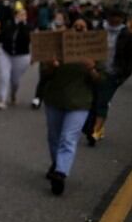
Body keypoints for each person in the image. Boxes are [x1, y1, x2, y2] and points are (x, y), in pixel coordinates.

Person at [41, 18, 100, 195]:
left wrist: (91, 69)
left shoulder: (95, 49)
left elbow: (102, 80)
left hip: (79, 103)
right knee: (54, 137)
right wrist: (51, 66)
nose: (79, 29)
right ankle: (57, 163)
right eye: (76, 26)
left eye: (83, 27)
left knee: (68, 138)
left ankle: (60, 173)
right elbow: (45, 74)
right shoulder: (57, 46)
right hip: (55, 99)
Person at [84, 7, 132, 146]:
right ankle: (91, 127)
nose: (114, 20)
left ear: (122, 18)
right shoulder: (99, 29)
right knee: (92, 101)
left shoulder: (127, 35)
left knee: (102, 103)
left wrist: (122, 76)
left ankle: (95, 133)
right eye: (112, 16)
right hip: (94, 70)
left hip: (112, 74)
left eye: (117, 17)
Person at [0, 3, 31, 110]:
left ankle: (13, 94)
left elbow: (27, 39)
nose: (22, 16)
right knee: (4, 76)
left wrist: (22, 24)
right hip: (6, 53)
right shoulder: (9, 24)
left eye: (24, 14)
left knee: (15, 80)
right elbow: (1, 38)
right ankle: (2, 99)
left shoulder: (28, 26)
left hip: (21, 56)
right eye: (20, 14)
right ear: (16, 15)